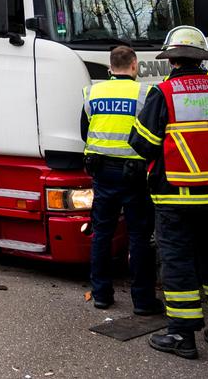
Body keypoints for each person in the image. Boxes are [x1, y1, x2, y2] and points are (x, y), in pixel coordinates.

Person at [129, 25, 208, 360]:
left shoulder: (164, 93)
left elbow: (142, 143)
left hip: (176, 195)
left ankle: (181, 335)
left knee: (178, 263)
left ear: (173, 59)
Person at [79, 45, 160, 316]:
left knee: (102, 233)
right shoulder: (145, 93)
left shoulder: (93, 92)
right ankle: (143, 300)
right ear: (134, 66)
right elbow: (152, 135)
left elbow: (85, 130)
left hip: (101, 172)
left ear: (110, 67)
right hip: (135, 174)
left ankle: (101, 294)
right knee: (138, 237)